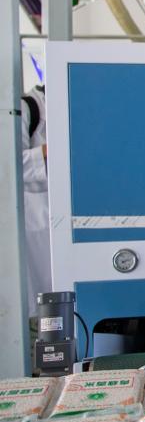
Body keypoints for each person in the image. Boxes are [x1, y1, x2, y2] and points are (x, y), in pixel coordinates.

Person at [21, 84, 51, 318]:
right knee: (39, 302)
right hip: (34, 219)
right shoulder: (28, 108)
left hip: (58, 217)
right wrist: (48, 151)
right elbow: (10, 163)